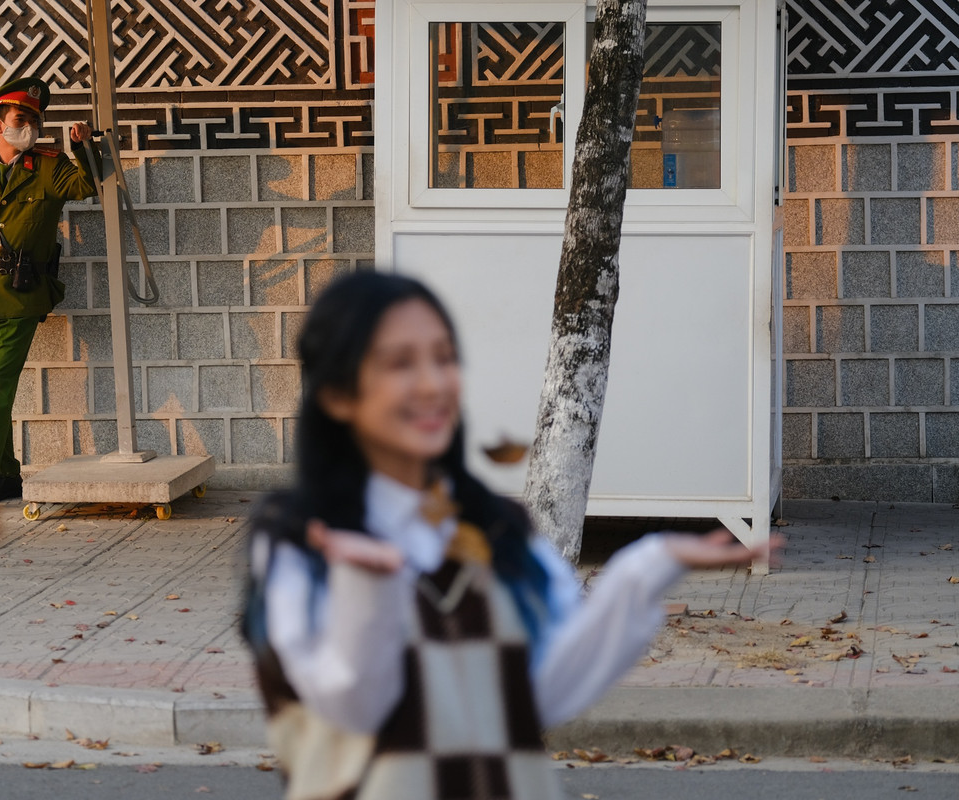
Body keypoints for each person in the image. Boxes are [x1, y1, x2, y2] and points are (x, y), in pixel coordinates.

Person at [242, 271, 778, 800]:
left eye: (444, 358)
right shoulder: (298, 537)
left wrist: (648, 566)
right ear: (337, 394)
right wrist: (367, 586)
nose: (433, 383)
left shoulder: (495, 529)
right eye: (400, 363)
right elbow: (354, 708)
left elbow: (541, 693)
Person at [0, 77, 97, 506]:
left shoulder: (49, 167)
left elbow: (85, 186)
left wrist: (82, 147)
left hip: (22, 294)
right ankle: (9, 475)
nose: (29, 125)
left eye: (34, 118)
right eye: (21, 118)